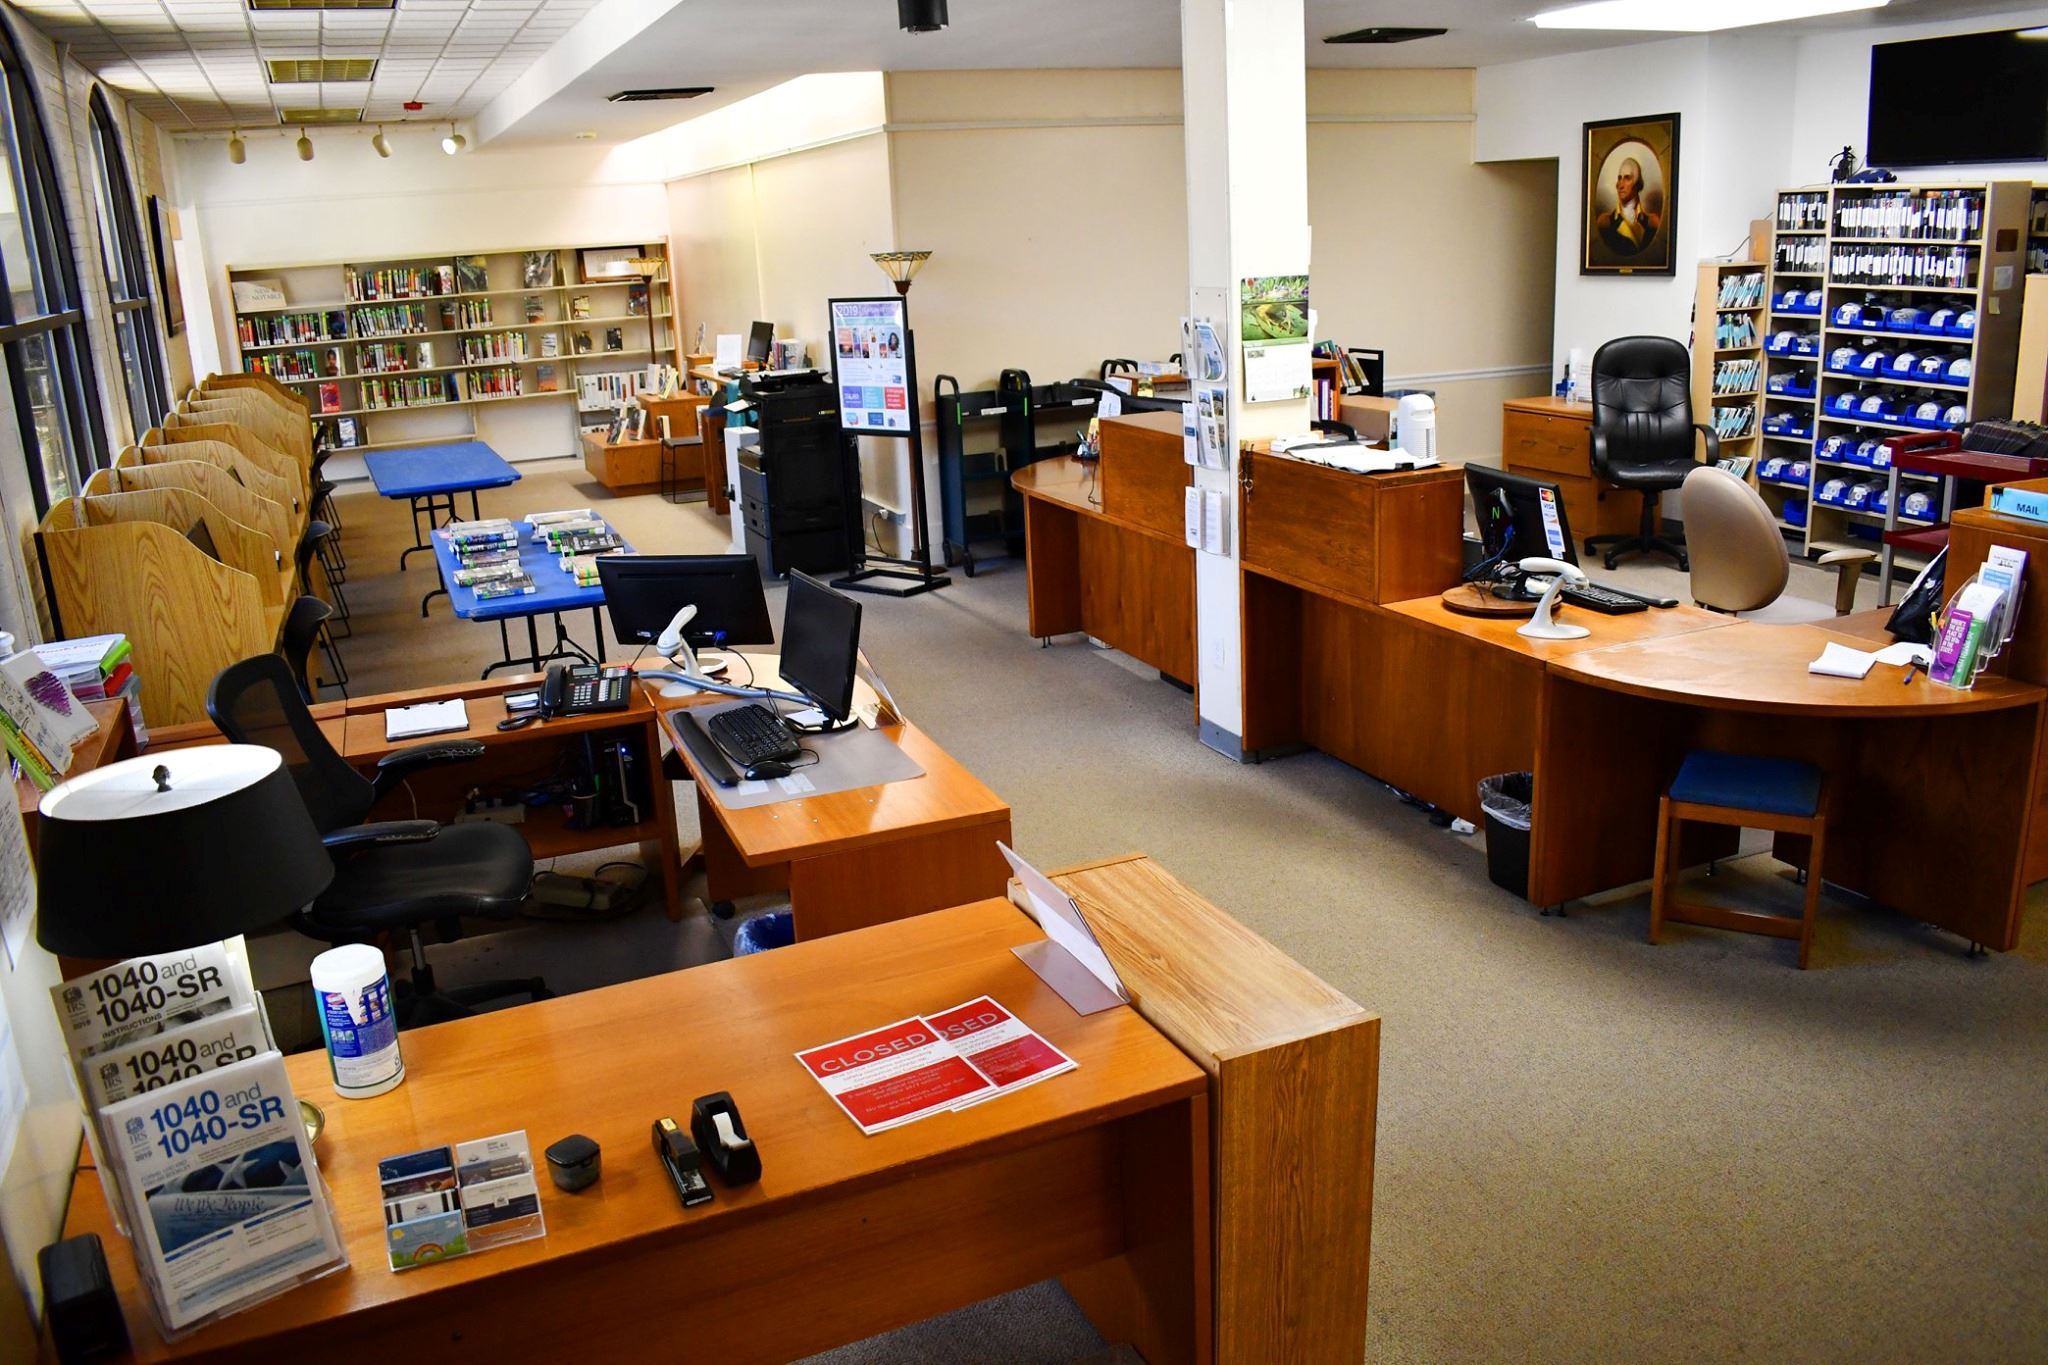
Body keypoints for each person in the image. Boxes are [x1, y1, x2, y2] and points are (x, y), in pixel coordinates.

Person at [1595, 155, 1661, 257]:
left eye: (1627, 178)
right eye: (1619, 178)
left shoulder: (1652, 223)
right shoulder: (1605, 223)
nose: (1620, 185)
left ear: (1637, 183)